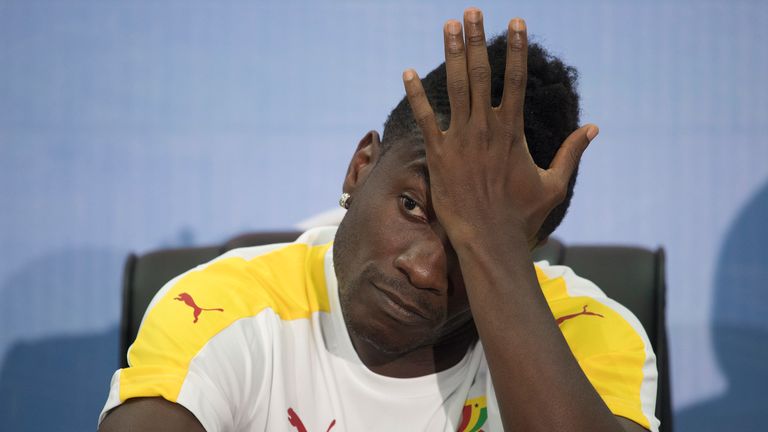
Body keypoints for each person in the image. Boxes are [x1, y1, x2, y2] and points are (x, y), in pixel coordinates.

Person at [99, 8, 659, 432]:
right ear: (360, 168)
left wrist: (492, 242)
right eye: (414, 207)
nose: (423, 269)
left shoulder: (589, 331)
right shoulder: (228, 307)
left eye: (473, 241)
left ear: (527, 248)